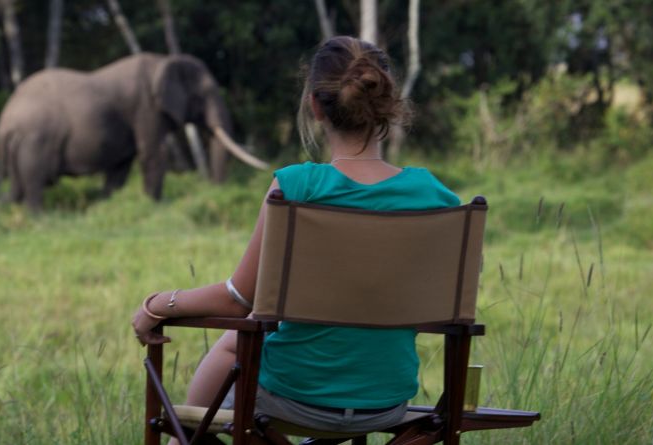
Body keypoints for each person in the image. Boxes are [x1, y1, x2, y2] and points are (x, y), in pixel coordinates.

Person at [131, 36, 461, 438]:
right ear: (389, 105)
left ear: (316, 106)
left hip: (290, 396)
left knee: (236, 342)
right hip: (388, 402)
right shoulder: (434, 195)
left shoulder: (295, 186)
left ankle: (191, 440)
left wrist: (159, 304)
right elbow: (449, 302)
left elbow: (237, 299)